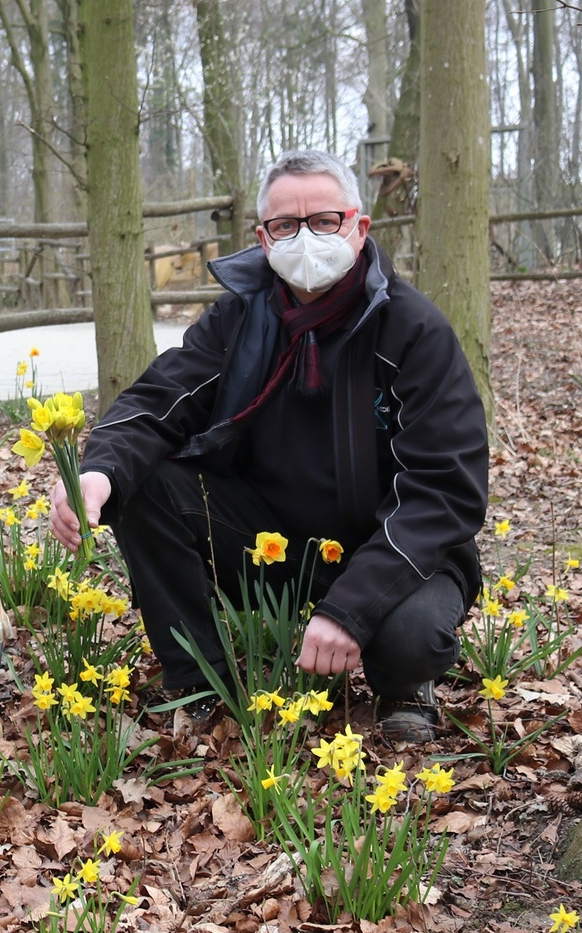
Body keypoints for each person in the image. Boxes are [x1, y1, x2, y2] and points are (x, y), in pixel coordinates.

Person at [51, 151, 486, 740]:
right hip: (274, 542)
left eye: (325, 220)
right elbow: (164, 396)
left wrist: (349, 608)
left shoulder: (413, 332)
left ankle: (407, 687)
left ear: (359, 227)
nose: (306, 237)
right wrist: (98, 469)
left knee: (411, 639)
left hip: (385, 551)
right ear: (262, 237)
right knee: (144, 482)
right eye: (286, 225)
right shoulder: (241, 317)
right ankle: (196, 682)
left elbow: (443, 490)